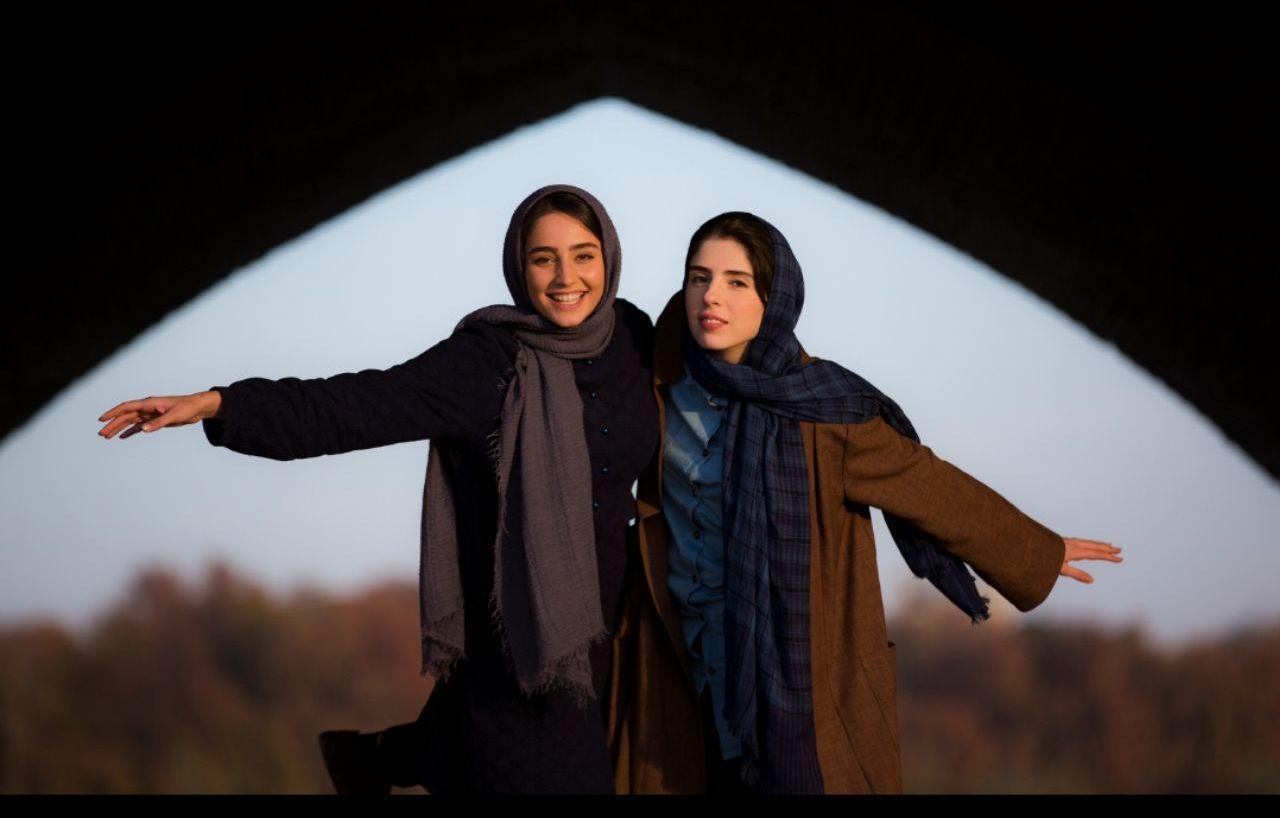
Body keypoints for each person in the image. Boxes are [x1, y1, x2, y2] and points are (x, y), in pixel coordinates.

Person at [98, 184, 660, 794]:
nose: (566, 278)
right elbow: (357, 406)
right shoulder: (489, 362)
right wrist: (221, 405)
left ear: (609, 257)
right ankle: (407, 753)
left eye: (583, 255)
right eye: (543, 258)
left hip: (614, 644)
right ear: (518, 268)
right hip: (517, 660)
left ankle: (393, 755)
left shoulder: (633, 339)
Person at [605, 212, 1123, 794]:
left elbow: (923, 481)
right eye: (699, 278)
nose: (711, 297)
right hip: (678, 671)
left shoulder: (821, 408)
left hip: (792, 680)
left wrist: (1037, 550)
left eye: (737, 281)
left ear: (773, 298)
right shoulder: (658, 382)